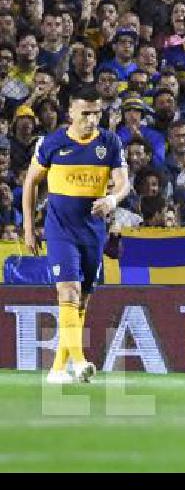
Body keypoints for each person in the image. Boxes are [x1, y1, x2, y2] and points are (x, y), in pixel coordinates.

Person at [21, 85, 130, 384]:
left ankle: (57, 369)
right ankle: (80, 362)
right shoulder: (51, 143)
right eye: (85, 114)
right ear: (70, 112)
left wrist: (112, 199)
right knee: (67, 290)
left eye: (96, 114)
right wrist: (30, 227)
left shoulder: (109, 143)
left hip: (93, 231)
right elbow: (30, 183)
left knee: (80, 300)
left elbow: (123, 183)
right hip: (60, 230)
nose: (92, 120)